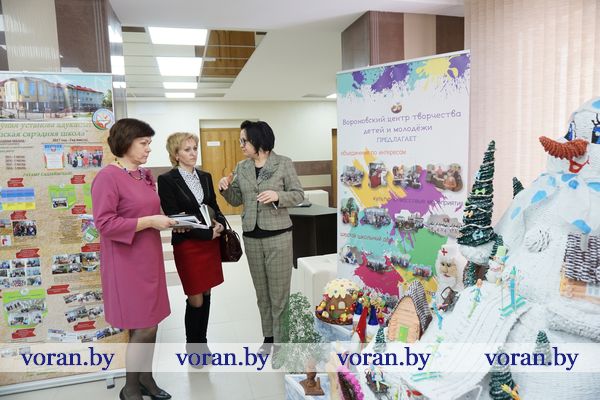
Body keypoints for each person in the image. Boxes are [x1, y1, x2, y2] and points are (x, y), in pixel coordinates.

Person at [91, 118, 176, 400]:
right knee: (143, 325)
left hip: (148, 258)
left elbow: (146, 210)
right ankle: (130, 388)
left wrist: (165, 220)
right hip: (126, 263)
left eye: (149, 143)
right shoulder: (107, 177)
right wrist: (149, 221)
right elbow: (105, 224)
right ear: (126, 143)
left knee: (152, 323)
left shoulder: (142, 175)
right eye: (143, 143)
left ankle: (146, 379)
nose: (148, 148)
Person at [218, 120, 303, 355]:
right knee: (262, 293)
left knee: (279, 294)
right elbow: (237, 199)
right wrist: (225, 188)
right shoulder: (242, 167)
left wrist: (278, 196)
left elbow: (298, 194)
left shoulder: (283, 163)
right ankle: (268, 338)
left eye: (244, 140)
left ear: (258, 140)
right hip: (251, 237)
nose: (241, 145)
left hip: (278, 236)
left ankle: (282, 343)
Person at [157, 132, 226, 359]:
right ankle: (193, 346)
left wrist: (220, 224)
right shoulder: (167, 180)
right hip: (188, 246)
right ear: (176, 154)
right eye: (187, 149)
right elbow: (175, 217)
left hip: (209, 244)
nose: (193, 153)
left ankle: (202, 343)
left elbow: (213, 205)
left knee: (206, 292)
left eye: (195, 148)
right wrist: (206, 232)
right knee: (195, 297)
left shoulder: (205, 176)